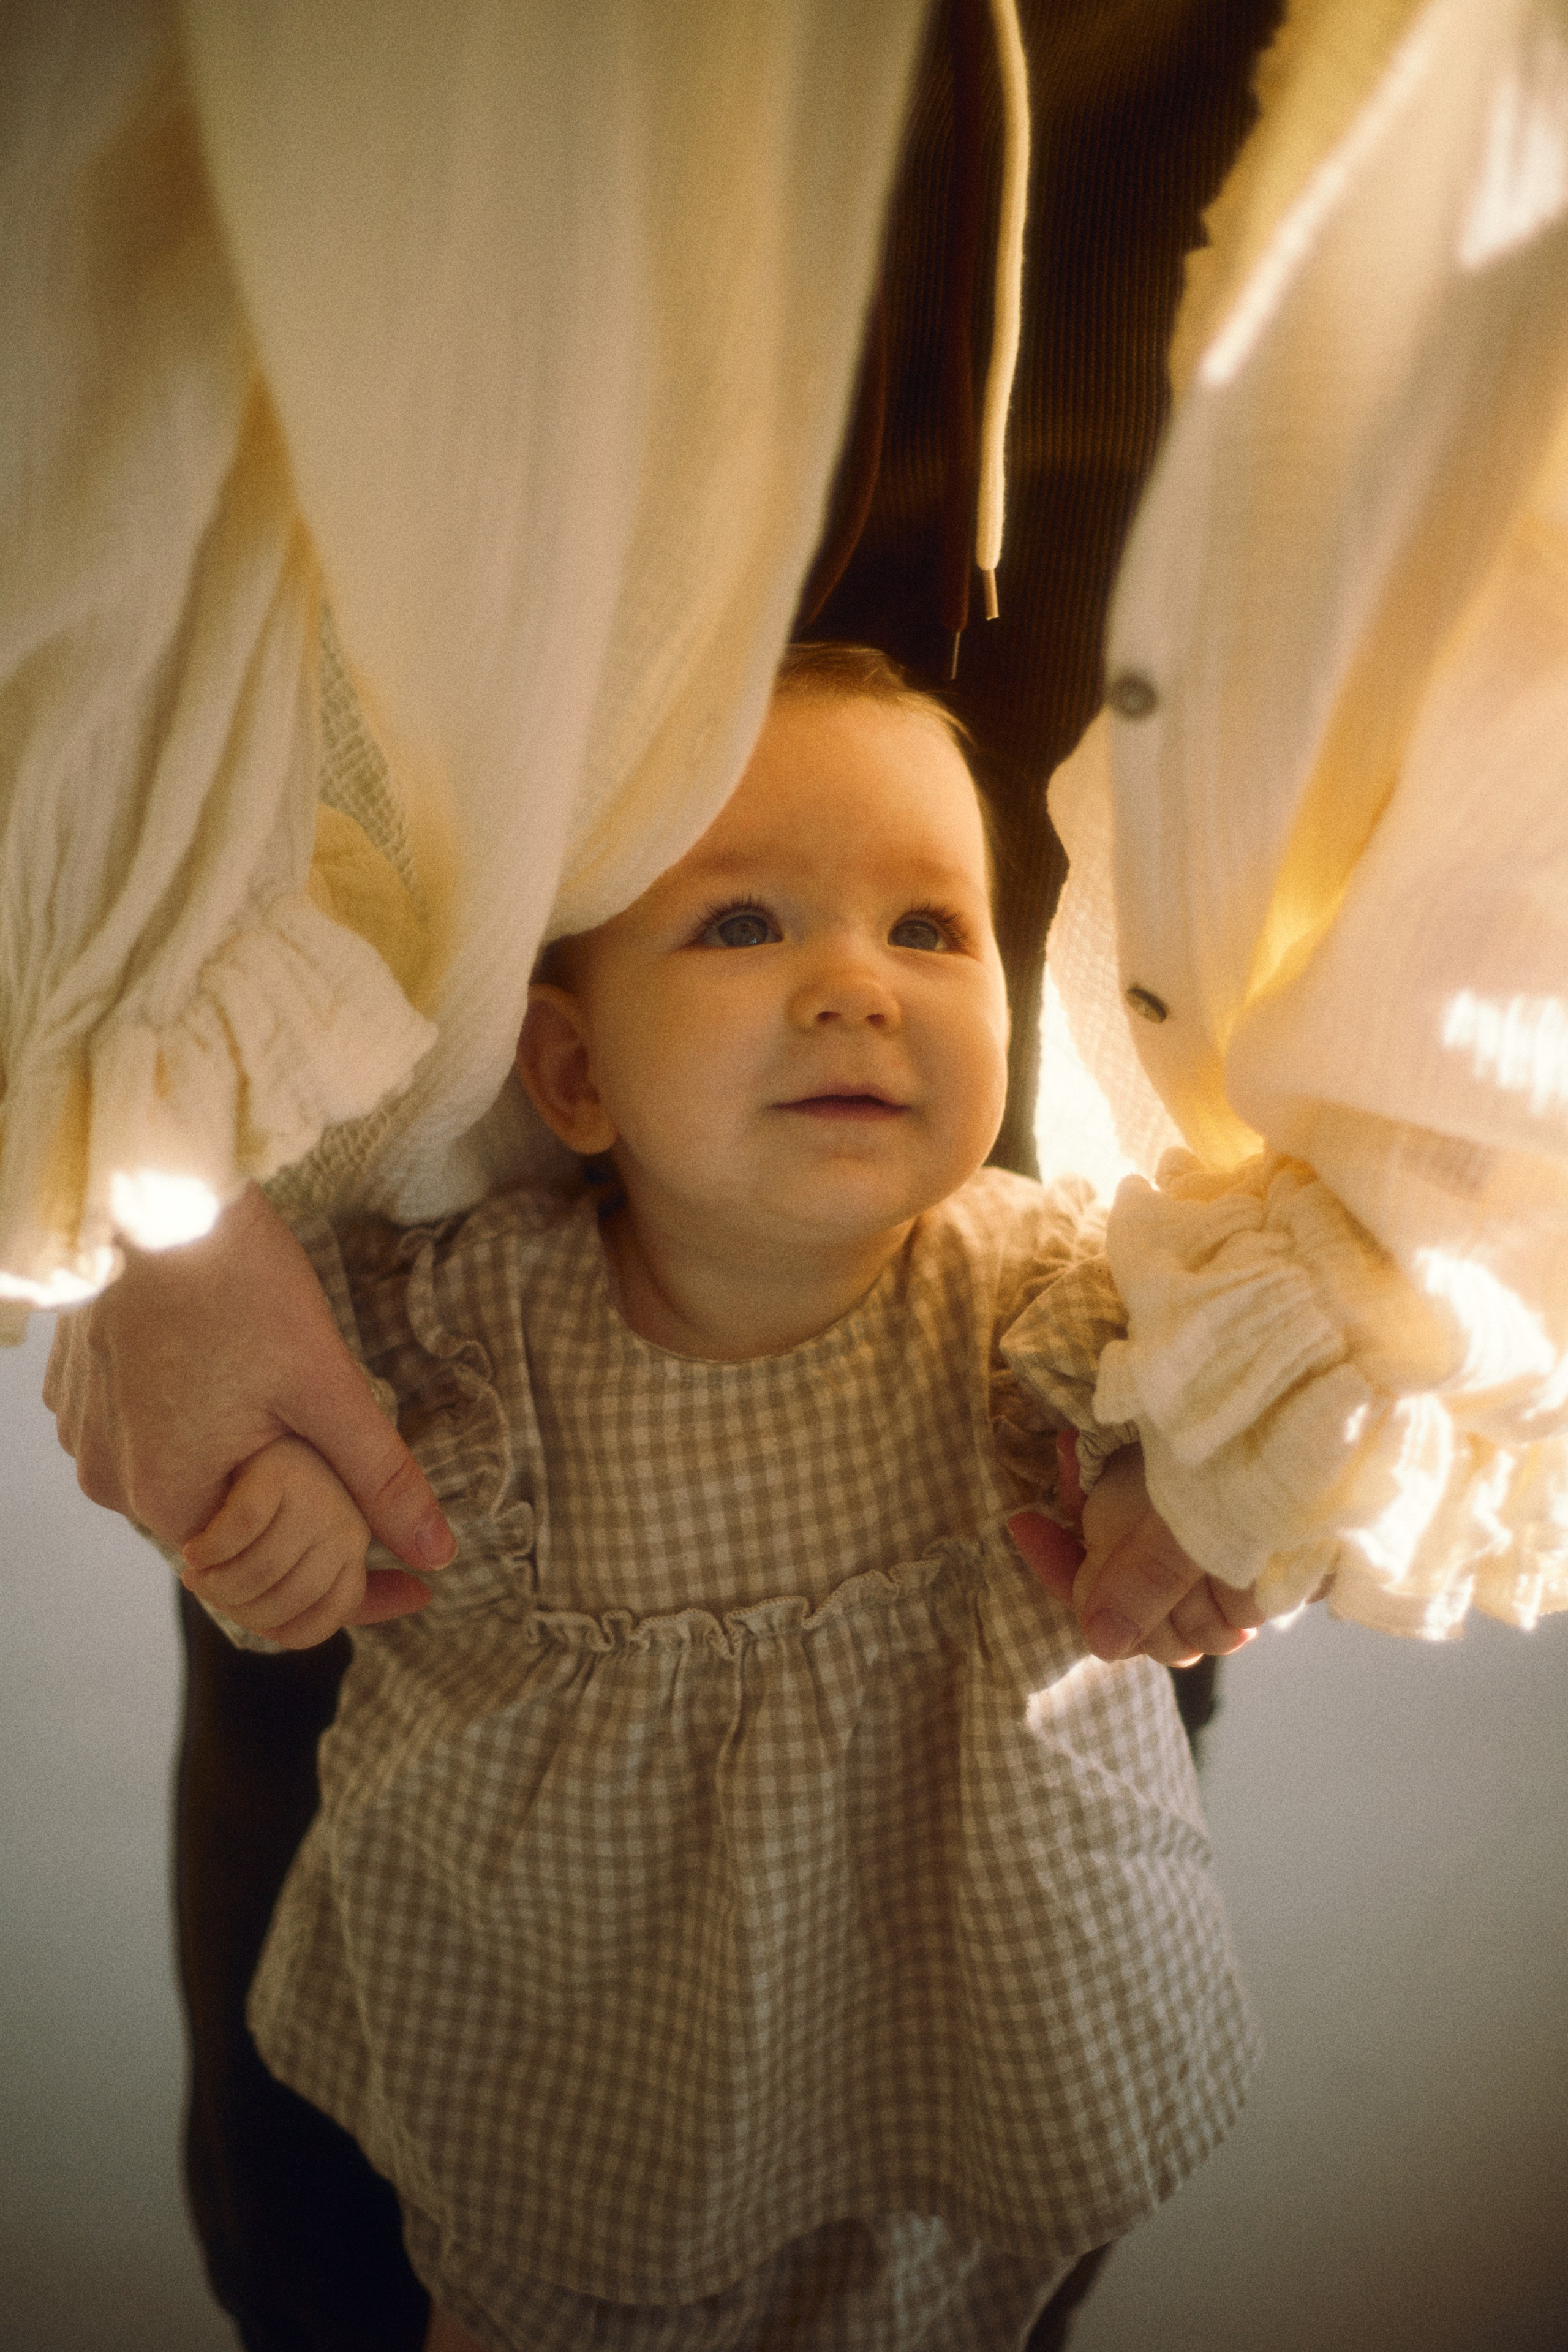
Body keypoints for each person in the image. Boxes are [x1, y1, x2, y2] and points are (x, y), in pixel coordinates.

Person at [176, 644, 1258, 2352]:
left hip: (954, 2049)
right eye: (745, 925)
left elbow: (1227, 1442)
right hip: (585, 2075)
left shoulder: (1048, 1299)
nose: (857, 989)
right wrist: (283, 1524)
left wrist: (1190, 1513)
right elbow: (265, 1431)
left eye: (929, 929)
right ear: (574, 1072)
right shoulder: (471, 1323)